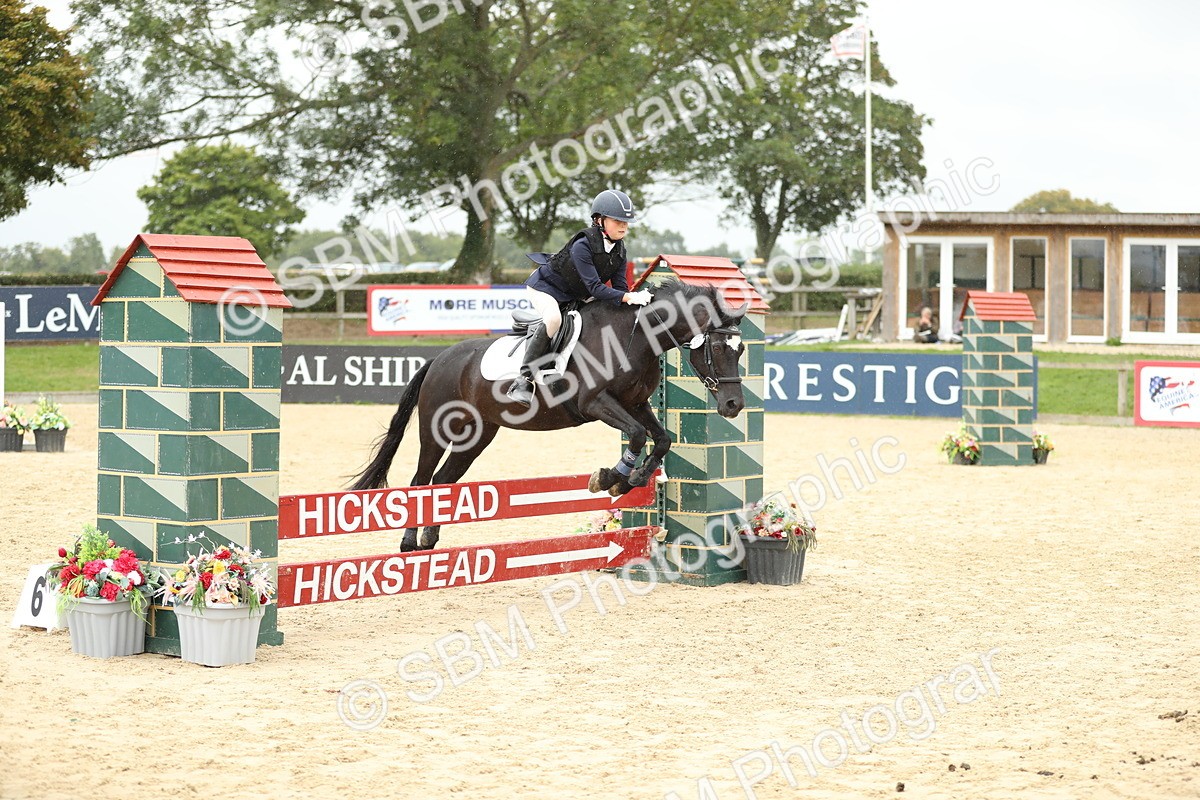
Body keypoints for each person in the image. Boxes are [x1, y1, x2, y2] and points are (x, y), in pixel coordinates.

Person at [505, 189, 653, 406]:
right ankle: (523, 379)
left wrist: (633, 303)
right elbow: (596, 288)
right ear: (599, 220)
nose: (623, 226)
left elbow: (620, 288)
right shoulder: (583, 245)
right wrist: (630, 298)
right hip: (547, 288)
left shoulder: (620, 251)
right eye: (617, 221)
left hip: (576, 293)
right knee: (553, 319)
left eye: (626, 222)